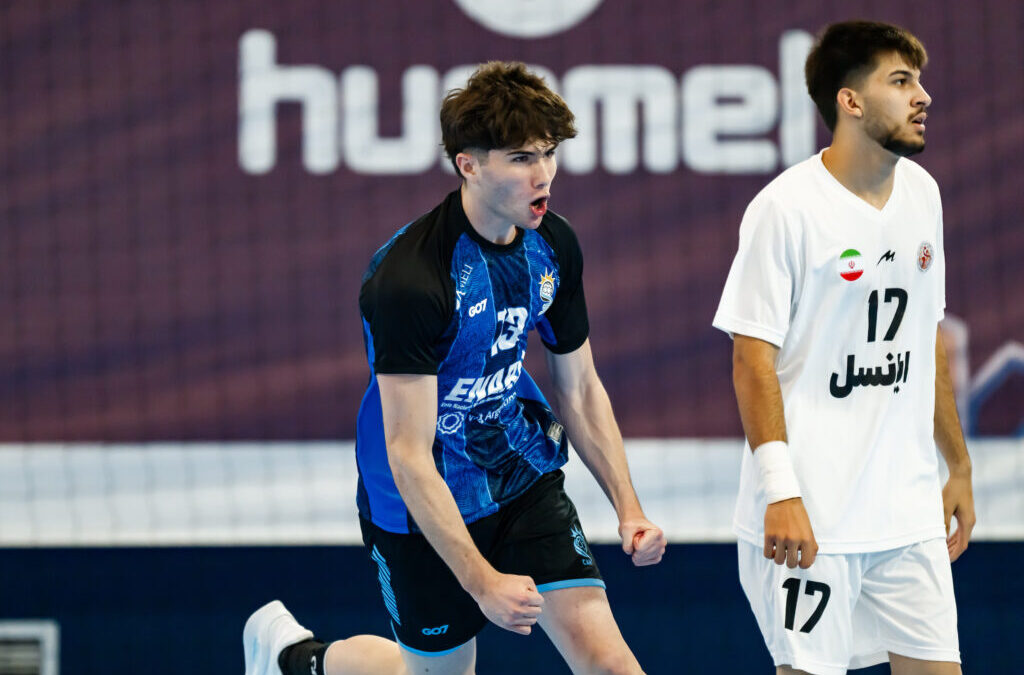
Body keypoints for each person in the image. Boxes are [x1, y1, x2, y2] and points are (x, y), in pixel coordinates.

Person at [243, 61, 666, 675]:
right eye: (521, 158)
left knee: (612, 666)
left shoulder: (555, 246)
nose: (543, 174)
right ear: (468, 165)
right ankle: (295, 658)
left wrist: (628, 505)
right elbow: (408, 453)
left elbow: (578, 385)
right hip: (418, 498)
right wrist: (481, 581)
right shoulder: (411, 280)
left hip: (518, 468)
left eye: (549, 153)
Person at [712, 21, 975, 675]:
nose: (924, 97)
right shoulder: (785, 209)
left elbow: (927, 337)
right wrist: (782, 493)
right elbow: (751, 362)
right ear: (849, 102)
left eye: (920, 81)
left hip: (907, 512)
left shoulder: (923, 193)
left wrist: (959, 465)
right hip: (814, 513)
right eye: (901, 81)